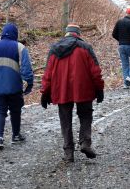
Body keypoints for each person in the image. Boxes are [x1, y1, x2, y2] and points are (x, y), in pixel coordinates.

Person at [41, 24, 104, 162]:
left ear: (66, 34)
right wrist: (99, 89)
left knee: (65, 120)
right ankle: (85, 143)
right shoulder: (85, 48)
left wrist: (44, 92)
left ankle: (68, 152)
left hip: (61, 90)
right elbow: (96, 72)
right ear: (78, 34)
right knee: (86, 115)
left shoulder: (55, 49)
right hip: (83, 89)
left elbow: (48, 74)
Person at [0, 23, 34, 150]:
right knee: (15, 110)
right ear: (15, 34)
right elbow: (26, 68)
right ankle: (16, 135)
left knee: (0, 111)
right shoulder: (20, 47)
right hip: (14, 86)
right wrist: (29, 83)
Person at [112, 8, 130, 88]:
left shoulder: (119, 22)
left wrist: (120, 40)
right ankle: (129, 77)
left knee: (125, 64)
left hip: (121, 46)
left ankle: (126, 84)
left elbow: (113, 34)